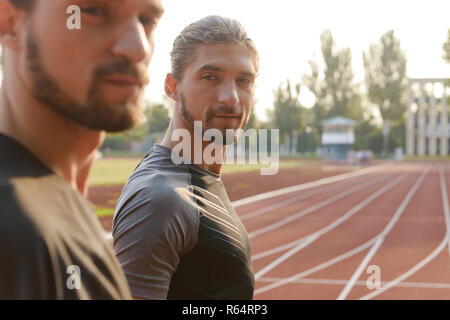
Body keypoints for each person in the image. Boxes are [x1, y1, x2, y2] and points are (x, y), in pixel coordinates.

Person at [0, 0, 164, 299]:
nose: (137, 48)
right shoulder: (13, 230)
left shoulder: (53, 201)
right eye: (95, 11)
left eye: (147, 21)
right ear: (11, 23)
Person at [113, 15, 259, 300]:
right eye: (210, 77)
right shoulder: (159, 199)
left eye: (244, 80)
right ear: (172, 87)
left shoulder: (200, 178)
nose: (231, 97)